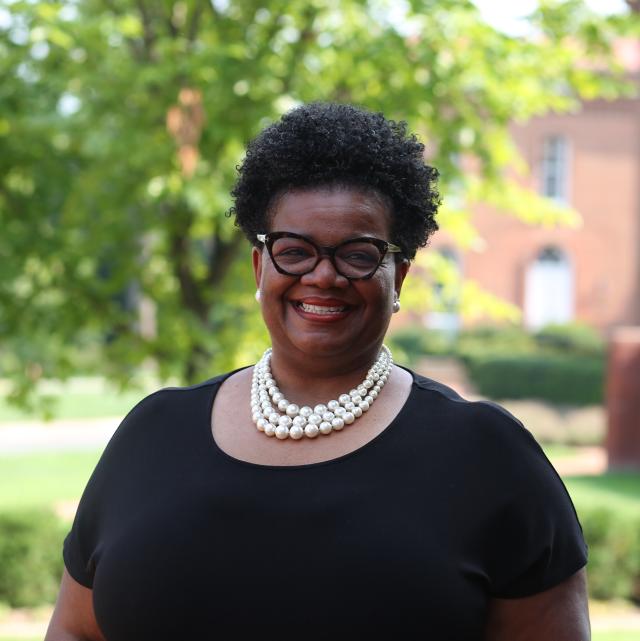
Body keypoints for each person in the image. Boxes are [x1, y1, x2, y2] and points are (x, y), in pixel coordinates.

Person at [45, 102, 590, 641]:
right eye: (294, 251)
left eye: (357, 254)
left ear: (397, 276)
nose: (323, 276)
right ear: (261, 266)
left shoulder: (486, 456)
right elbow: (74, 629)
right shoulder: (153, 433)